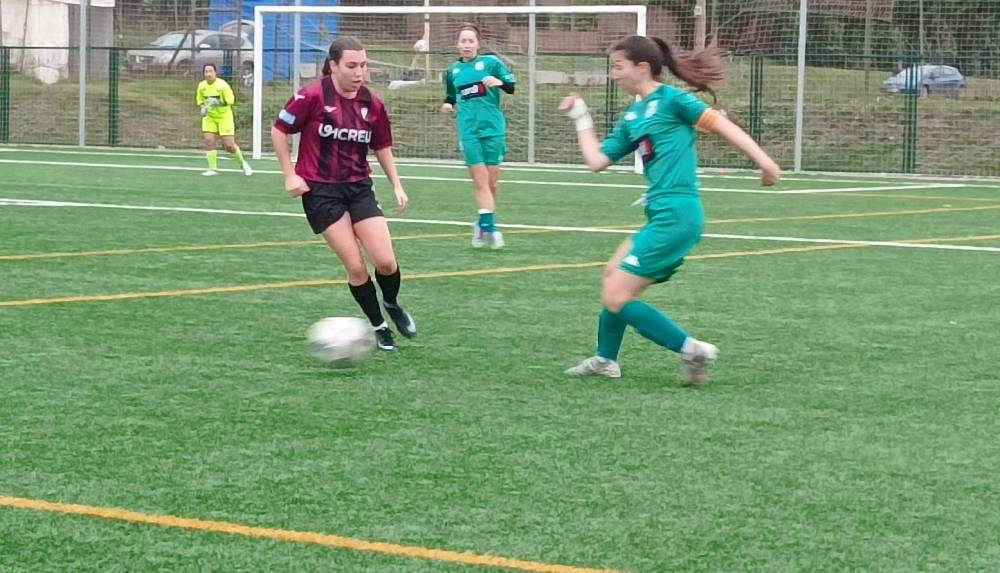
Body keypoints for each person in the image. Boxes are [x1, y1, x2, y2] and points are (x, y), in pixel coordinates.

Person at [561, 35, 781, 384]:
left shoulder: (673, 100)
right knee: (613, 277)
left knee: (616, 295)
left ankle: (691, 348)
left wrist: (766, 164)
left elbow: (725, 127)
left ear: (642, 67)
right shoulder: (634, 114)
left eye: (618, 67)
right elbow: (597, 161)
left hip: (678, 215)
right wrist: (581, 117)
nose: (613, 75)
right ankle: (606, 360)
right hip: (661, 215)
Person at [271, 37, 417, 351]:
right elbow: (279, 130)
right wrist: (289, 175)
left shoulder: (372, 103)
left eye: (363, 65)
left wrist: (397, 184)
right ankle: (379, 327)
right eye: (352, 65)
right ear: (334, 65)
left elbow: (382, 146)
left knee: (386, 262)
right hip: (321, 192)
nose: (359, 72)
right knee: (355, 266)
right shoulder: (310, 96)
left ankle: (391, 304)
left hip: (358, 187)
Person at [441, 23, 516, 249]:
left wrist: (499, 82)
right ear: (457, 44)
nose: (466, 45)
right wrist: (447, 104)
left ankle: (482, 222)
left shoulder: (491, 63)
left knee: (492, 182)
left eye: (470, 41)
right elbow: (450, 96)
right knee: (480, 180)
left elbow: (512, 85)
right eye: (463, 41)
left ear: (477, 44)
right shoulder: (452, 71)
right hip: (469, 131)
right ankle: (490, 229)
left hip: (493, 129)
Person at [196, 63, 253, 177]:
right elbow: (200, 101)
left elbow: (230, 101)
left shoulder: (222, 86)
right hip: (210, 118)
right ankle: (213, 168)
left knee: (229, 145)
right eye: (206, 72)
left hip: (224, 117)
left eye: (210, 71)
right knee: (209, 140)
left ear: (215, 73)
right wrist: (203, 108)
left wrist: (217, 102)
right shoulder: (202, 86)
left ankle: (243, 163)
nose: (208, 74)